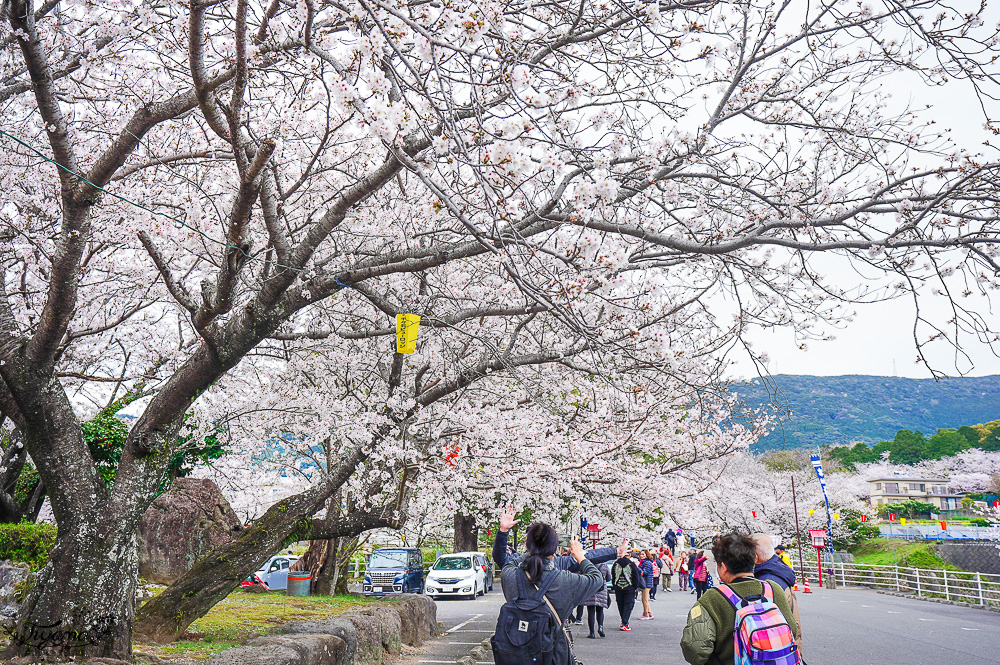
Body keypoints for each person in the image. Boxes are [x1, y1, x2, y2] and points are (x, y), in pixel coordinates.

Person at [493, 506, 605, 665]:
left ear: (527, 546)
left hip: (515, 657)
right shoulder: (565, 582)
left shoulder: (510, 576)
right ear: (554, 550)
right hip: (553, 657)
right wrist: (579, 556)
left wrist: (504, 532)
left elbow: (504, 561)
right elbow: (596, 578)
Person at [680, 534, 798, 665]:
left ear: (724, 567)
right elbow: (792, 629)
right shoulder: (773, 589)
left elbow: (695, 649)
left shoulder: (712, 598)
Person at [751, 534, 802, 648]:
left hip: (777, 650)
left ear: (755, 557)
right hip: (790, 648)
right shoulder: (778, 572)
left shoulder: (767, 584)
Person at [610, 542, 644, 631]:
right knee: (628, 605)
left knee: (620, 604)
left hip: (618, 588)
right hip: (629, 588)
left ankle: (623, 621)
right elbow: (636, 576)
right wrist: (635, 587)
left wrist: (615, 585)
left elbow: (613, 576)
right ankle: (625, 622)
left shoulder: (615, 564)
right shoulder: (632, 564)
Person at [582, 562, 611, 638]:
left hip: (590, 589)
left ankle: (592, 633)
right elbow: (609, 578)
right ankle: (600, 627)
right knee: (600, 610)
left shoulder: (587, 565)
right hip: (601, 590)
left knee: (590, 612)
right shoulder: (604, 565)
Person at [637, 550, 655, 619]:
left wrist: (637, 568)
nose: (641, 556)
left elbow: (645, 572)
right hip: (646, 582)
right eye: (640, 554)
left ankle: (645, 614)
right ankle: (650, 613)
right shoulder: (644, 562)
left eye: (643, 554)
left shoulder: (647, 563)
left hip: (646, 583)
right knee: (645, 599)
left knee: (644, 599)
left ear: (647, 555)